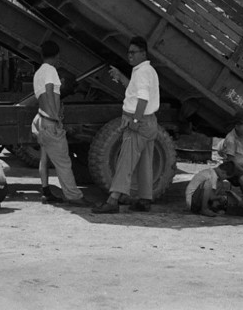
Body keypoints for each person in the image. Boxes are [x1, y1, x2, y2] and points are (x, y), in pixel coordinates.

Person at [93, 36, 160, 214]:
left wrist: (135, 121)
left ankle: (112, 200)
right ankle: (145, 200)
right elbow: (136, 91)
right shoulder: (148, 71)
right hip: (150, 121)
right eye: (128, 52)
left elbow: (143, 98)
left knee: (125, 161)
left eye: (133, 52)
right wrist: (121, 78)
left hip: (139, 121)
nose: (129, 56)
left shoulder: (142, 73)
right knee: (145, 162)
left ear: (143, 53)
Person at [31, 41, 92, 207]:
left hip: (40, 119)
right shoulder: (51, 70)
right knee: (64, 162)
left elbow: (43, 95)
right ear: (57, 56)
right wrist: (55, 117)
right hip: (49, 121)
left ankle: (46, 192)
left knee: (44, 159)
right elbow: (50, 92)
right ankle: (74, 196)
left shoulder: (38, 73)